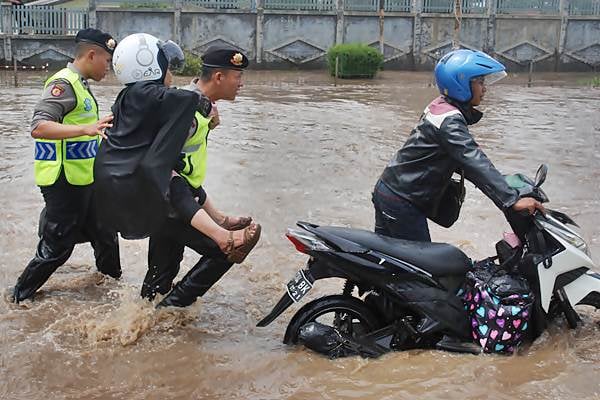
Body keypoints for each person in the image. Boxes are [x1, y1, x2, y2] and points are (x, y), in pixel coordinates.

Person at [372, 49, 545, 243]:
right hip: (402, 201)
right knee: (424, 268)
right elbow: (472, 159)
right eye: (480, 82)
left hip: (390, 191)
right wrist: (512, 200)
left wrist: (505, 185)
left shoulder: (440, 106)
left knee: (390, 263)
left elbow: (465, 163)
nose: (484, 88)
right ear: (460, 84)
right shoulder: (450, 122)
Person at [141, 46, 261, 308]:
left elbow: (186, 165)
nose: (241, 84)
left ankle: (146, 324)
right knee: (227, 251)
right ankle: (171, 311)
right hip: (172, 204)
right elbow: (159, 163)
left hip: (173, 203)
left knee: (158, 280)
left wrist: (216, 215)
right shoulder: (188, 112)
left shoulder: (199, 107)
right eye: (237, 77)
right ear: (218, 77)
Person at [13, 28, 121, 303]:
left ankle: (112, 290)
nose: (109, 67)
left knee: (105, 232)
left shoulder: (81, 84)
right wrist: (86, 128)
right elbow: (38, 126)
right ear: (92, 55)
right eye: (107, 61)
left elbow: (83, 128)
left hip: (85, 179)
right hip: (64, 181)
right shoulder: (63, 83)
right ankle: (18, 297)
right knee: (58, 247)